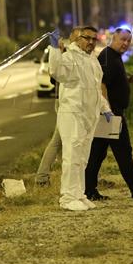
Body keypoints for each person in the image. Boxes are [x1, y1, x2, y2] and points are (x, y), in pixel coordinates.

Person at [85, 28, 133, 201]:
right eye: (122, 39)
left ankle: (88, 190)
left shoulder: (113, 56)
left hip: (110, 113)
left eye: (128, 41)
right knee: (123, 152)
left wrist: (126, 79)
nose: (125, 43)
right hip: (111, 114)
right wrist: (107, 111)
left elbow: (111, 79)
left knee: (97, 153)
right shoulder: (107, 56)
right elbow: (102, 85)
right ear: (114, 38)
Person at [48, 26, 112, 211]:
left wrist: (104, 108)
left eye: (94, 39)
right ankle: (67, 198)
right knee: (72, 156)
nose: (91, 42)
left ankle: (79, 194)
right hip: (73, 114)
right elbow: (56, 71)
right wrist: (54, 48)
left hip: (87, 116)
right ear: (77, 39)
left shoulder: (91, 60)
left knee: (82, 158)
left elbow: (94, 88)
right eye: (87, 38)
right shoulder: (70, 57)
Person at [35, 29, 80, 187]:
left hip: (69, 104)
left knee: (63, 142)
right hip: (64, 104)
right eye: (78, 38)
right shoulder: (65, 56)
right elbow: (55, 76)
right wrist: (58, 52)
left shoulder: (76, 56)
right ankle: (41, 177)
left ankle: (59, 176)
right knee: (57, 141)